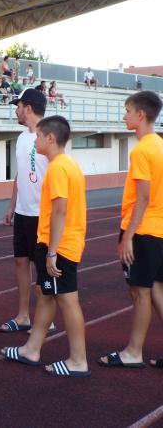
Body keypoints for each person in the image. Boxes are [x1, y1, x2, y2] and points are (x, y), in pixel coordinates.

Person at [1, 115, 90, 378]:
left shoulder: (58, 168)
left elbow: (60, 211)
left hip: (60, 246)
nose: (35, 140)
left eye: (38, 136)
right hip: (59, 242)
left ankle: (78, 360)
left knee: (67, 300)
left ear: (50, 138)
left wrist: (51, 251)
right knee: (47, 295)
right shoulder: (67, 164)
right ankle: (32, 348)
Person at [98, 91, 163, 369]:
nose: (123, 115)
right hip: (158, 230)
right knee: (157, 290)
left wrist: (127, 237)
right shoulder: (160, 145)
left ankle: (134, 352)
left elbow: (144, 197)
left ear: (141, 115)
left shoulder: (142, 150)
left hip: (144, 230)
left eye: (127, 110)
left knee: (140, 293)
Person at [0, 88, 54, 334]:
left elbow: (58, 174)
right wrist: (12, 205)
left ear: (28, 108)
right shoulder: (22, 138)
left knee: (43, 269)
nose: (16, 110)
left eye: (18, 105)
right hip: (23, 212)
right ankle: (23, 316)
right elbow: (20, 175)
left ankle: (46, 319)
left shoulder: (51, 136)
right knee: (21, 262)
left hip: (43, 216)